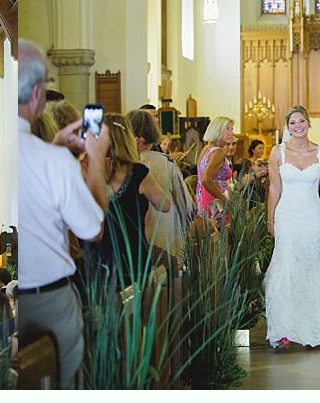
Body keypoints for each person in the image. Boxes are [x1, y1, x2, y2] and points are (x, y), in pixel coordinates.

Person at [17, 39, 109, 389]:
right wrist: (96, 158)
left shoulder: (42, 155)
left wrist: (54, 148)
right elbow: (93, 231)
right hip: (49, 301)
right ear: (38, 92)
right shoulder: (53, 163)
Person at [264, 106, 320, 350]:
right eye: (293, 123)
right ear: (287, 126)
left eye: (302, 121)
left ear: (308, 123)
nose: (298, 126)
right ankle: (284, 329)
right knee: (287, 268)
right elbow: (274, 189)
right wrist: (271, 219)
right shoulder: (277, 153)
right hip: (287, 216)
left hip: (312, 216)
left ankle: (318, 325)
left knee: (314, 266)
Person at [89, 113, 171, 274]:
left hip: (99, 260)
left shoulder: (89, 170)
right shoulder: (137, 173)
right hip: (133, 259)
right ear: (127, 139)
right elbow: (165, 205)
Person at [127, 109, 195, 260]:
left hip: (135, 239)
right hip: (167, 234)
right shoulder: (165, 162)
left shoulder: (122, 166)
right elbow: (185, 204)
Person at [195, 117, 236, 224]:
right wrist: (225, 200)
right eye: (228, 129)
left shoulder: (206, 148)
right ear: (217, 130)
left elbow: (199, 176)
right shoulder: (218, 152)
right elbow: (205, 179)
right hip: (216, 203)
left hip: (203, 199)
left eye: (232, 129)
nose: (232, 133)